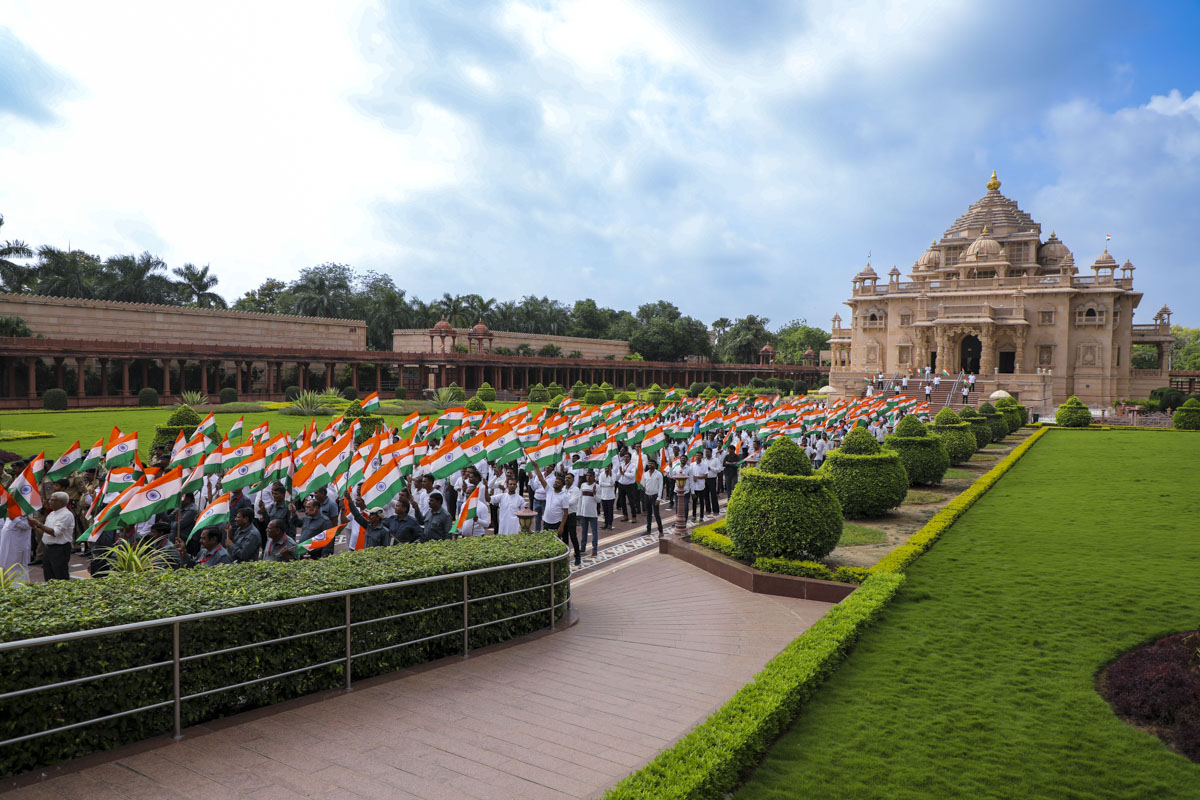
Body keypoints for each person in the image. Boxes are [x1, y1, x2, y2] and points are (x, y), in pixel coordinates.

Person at [535, 466, 578, 565]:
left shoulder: (564, 496)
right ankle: (547, 561)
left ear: (562, 485)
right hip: (546, 522)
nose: (555, 483)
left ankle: (558, 563)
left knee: (556, 544)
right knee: (546, 542)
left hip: (556, 524)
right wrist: (536, 467)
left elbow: (566, 512)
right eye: (555, 482)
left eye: (558, 483)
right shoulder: (549, 490)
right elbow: (541, 478)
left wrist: (561, 526)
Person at [27, 492, 74, 581]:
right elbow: (45, 533)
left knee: (60, 576)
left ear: (60, 502)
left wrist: (38, 524)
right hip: (48, 548)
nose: (49, 502)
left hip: (60, 549)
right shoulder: (52, 514)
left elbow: (54, 533)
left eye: (52, 500)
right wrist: (34, 526)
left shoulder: (66, 515)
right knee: (49, 576)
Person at [0, 513, 32, 582]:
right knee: (5, 563)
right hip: (6, 540)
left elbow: (28, 526)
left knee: (17, 566)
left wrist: (14, 519)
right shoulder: (11, 506)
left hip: (18, 543)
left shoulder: (26, 508)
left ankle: (19, 587)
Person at [577, 470, 599, 556]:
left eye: (590, 476)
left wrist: (594, 493)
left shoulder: (597, 486)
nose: (588, 477)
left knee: (594, 532)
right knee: (584, 532)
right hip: (583, 513)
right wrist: (579, 512)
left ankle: (595, 549)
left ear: (594, 477)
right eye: (587, 476)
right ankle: (582, 548)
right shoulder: (583, 485)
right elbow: (580, 499)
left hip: (592, 513)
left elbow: (598, 500)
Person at [641, 460, 664, 537]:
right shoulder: (645, 474)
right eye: (649, 463)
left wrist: (658, 498)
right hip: (647, 496)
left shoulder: (659, 474)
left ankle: (661, 531)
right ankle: (648, 530)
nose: (650, 465)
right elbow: (643, 484)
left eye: (652, 463)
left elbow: (661, 487)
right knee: (648, 514)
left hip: (655, 497)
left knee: (657, 514)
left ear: (655, 465)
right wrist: (643, 487)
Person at [616, 452, 638, 524]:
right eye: (625, 457)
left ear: (630, 458)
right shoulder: (622, 464)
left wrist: (623, 473)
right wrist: (619, 473)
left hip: (630, 485)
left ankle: (634, 516)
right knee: (622, 501)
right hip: (621, 484)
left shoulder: (633, 465)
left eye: (627, 457)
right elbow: (618, 475)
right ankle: (625, 515)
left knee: (631, 501)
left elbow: (632, 475)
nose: (625, 458)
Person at [597, 463, 617, 529]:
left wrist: (610, 476)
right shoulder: (602, 474)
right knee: (605, 511)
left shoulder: (613, 474)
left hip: (611, 496)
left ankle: (610, 524)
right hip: (603, 496)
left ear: (611, 467)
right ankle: (605, 523)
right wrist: (609, 485)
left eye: (609, 466)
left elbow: (612, 483)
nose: (607, 468)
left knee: (610, 511)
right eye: (606, 466)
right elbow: (600, 484)